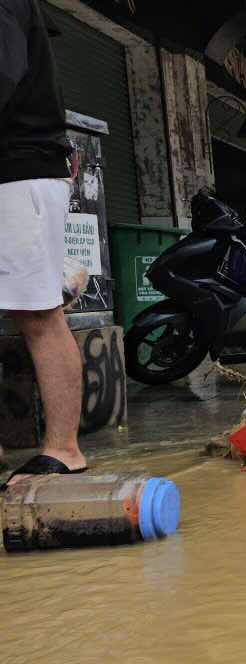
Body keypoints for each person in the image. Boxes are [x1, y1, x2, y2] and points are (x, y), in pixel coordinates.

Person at [1, 0, 87, 480]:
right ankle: (60, 277)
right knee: (30, 306)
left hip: (18, 173)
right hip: (19, 175)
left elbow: (2, 74)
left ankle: (64, 450)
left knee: (38, 316)